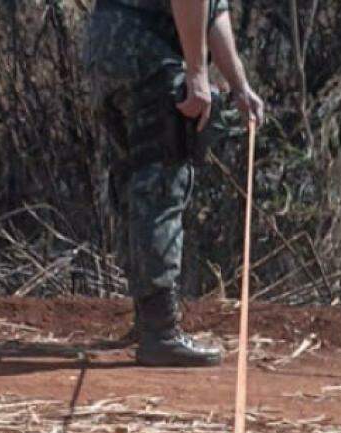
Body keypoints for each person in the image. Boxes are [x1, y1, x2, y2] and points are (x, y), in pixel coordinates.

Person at [83, 0, 264, 367]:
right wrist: (198, 74)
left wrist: (238, 84)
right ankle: (159, 331)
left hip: (107, 51)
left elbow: (214, 10)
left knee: (135, 178)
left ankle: (148, 319)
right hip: (148, 57)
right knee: (161, 185)